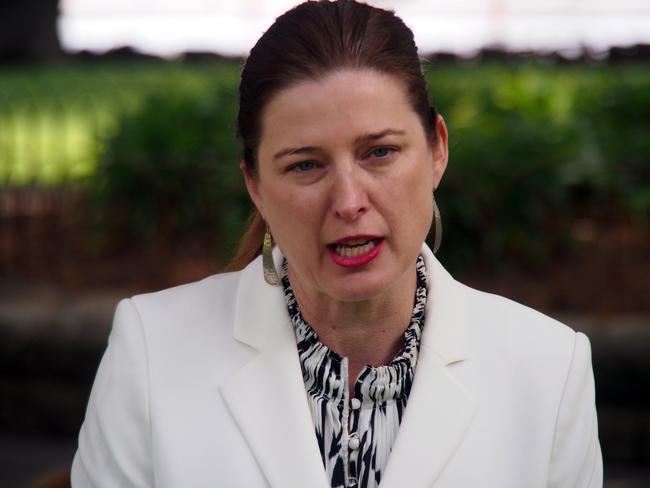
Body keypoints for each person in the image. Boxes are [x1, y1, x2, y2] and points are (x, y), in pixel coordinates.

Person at [71, 1, 602, 487]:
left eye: (379, 153)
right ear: (255, 184)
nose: (348, 201)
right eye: (306, 165)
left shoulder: (549, 371)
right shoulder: (150, 354)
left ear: (437, 150)